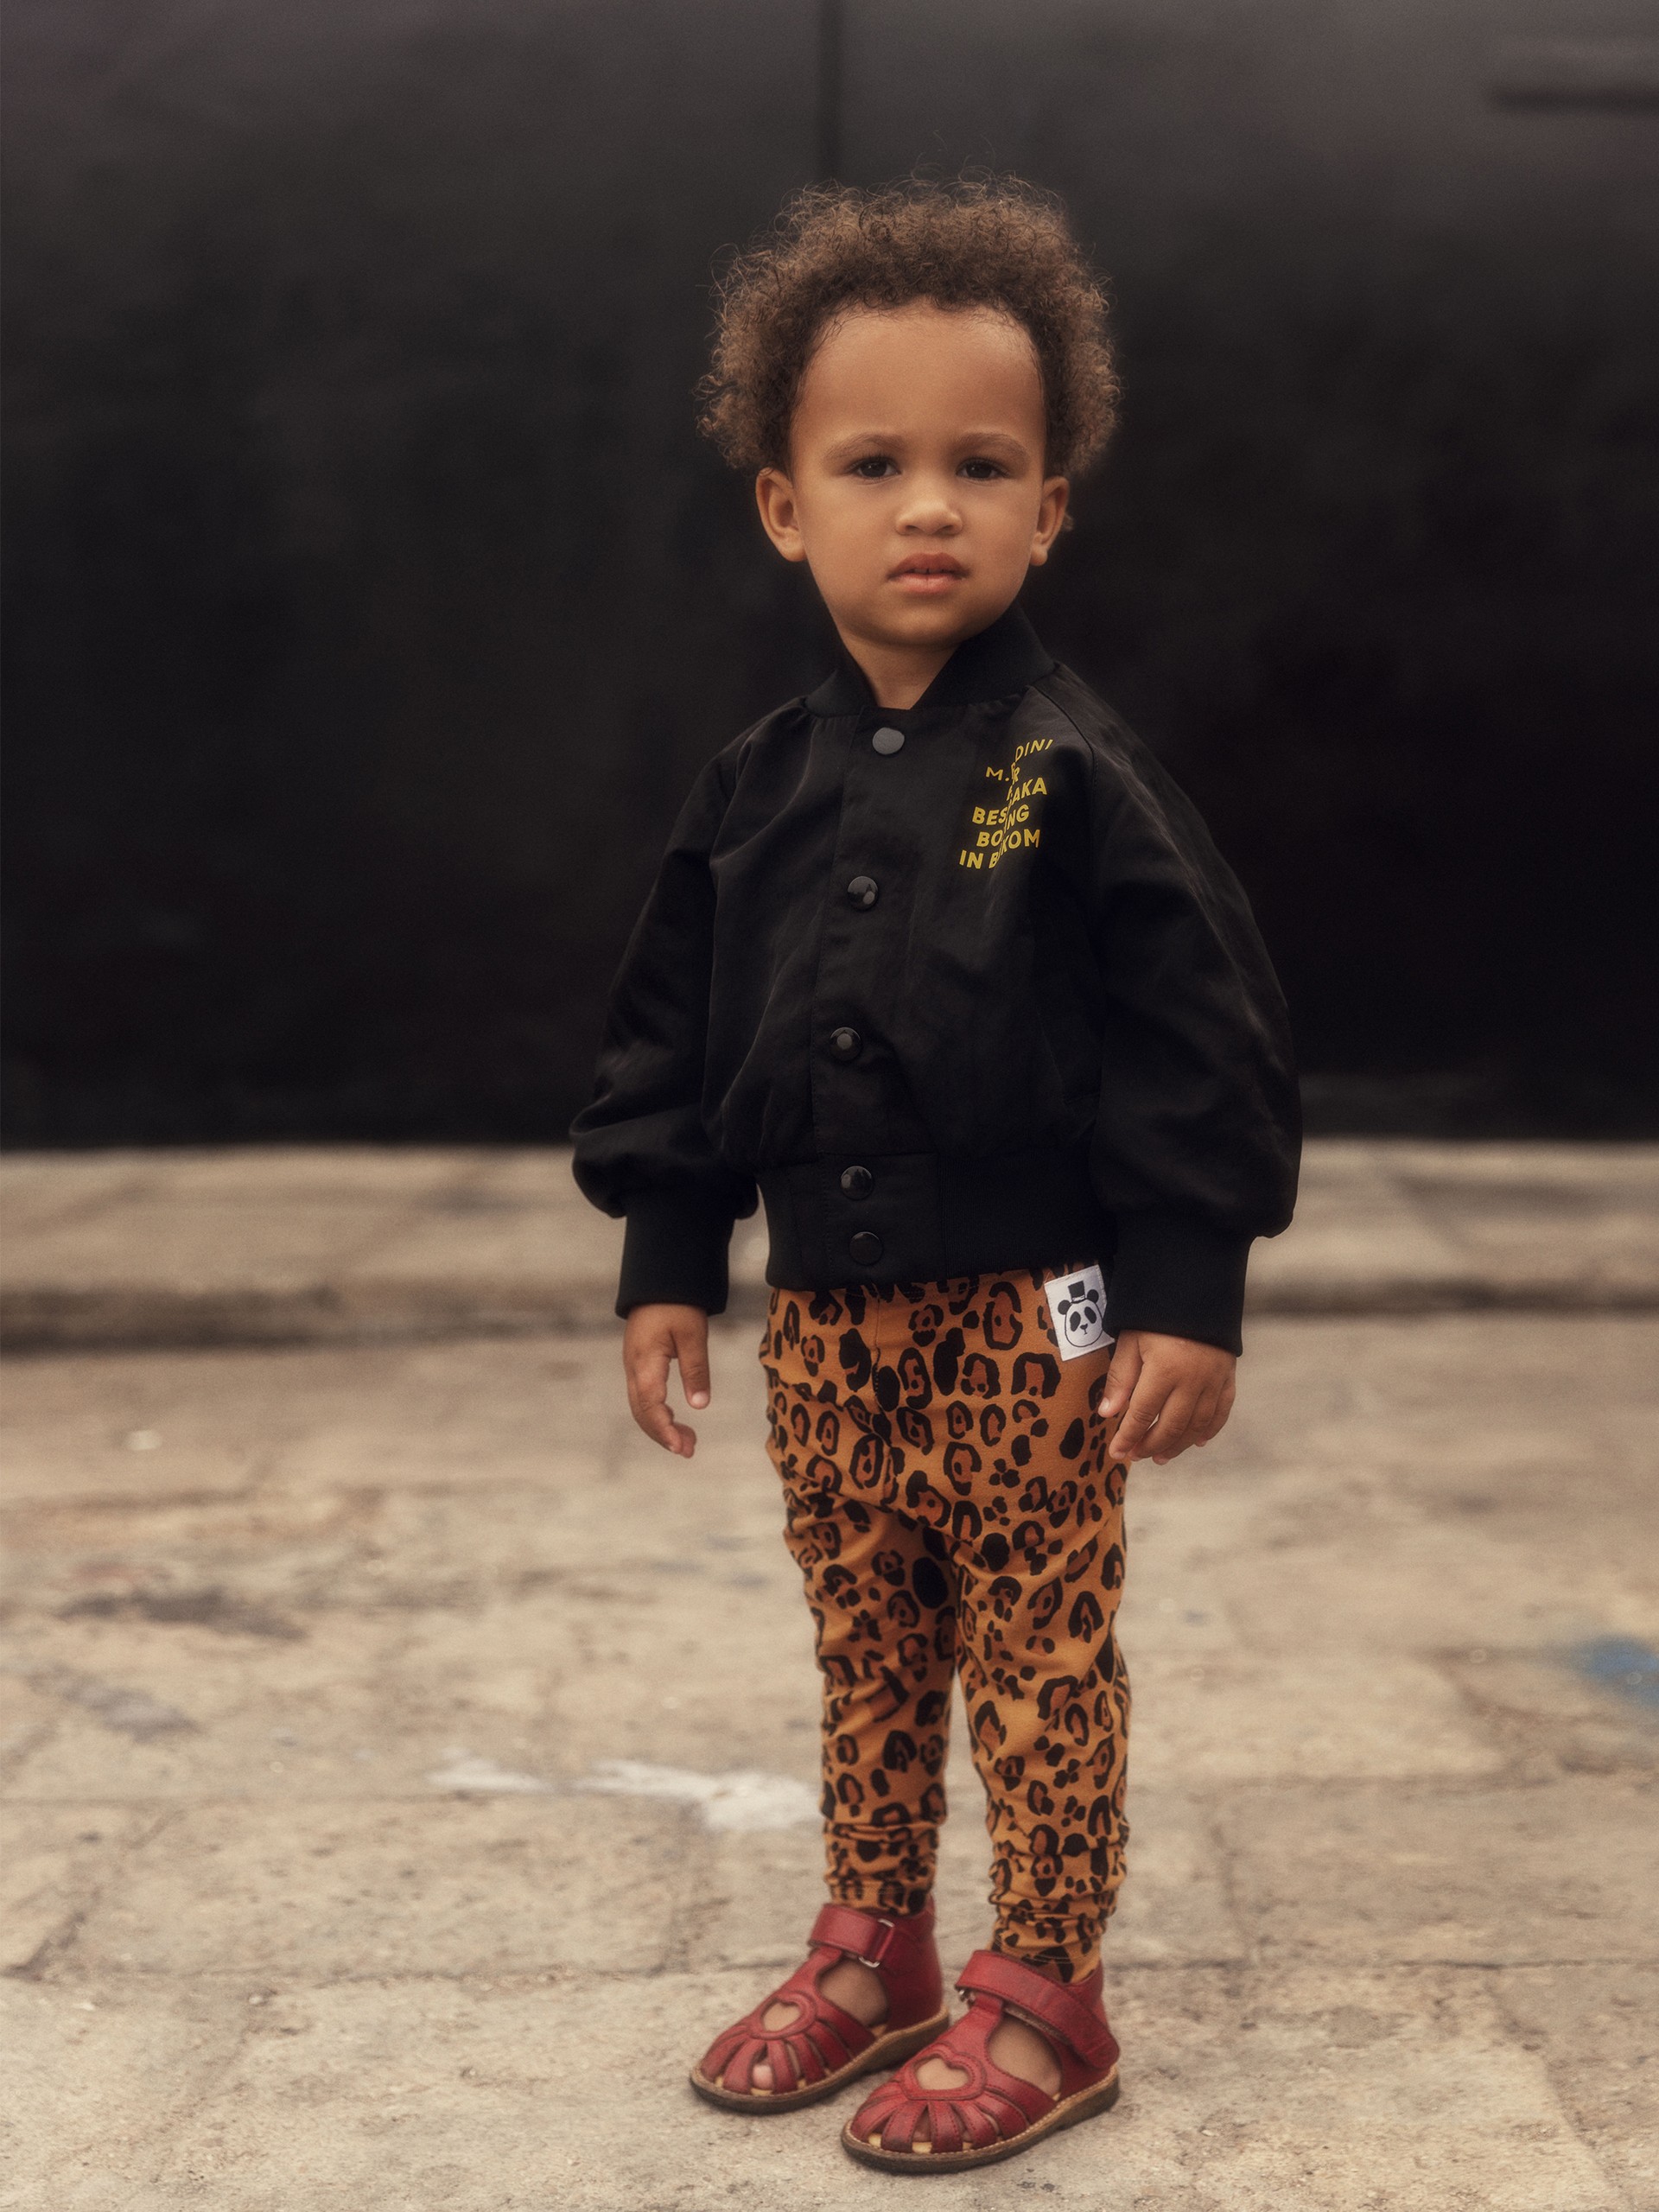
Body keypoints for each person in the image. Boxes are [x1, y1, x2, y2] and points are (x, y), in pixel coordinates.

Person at [571, 175, 1299, 2173]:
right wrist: (665, 1252)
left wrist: (1184, 1285)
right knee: (865, 1629)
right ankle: (880, 1941)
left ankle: (1045, 1984)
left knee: (1040, 1651)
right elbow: (673, 1032)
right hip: (825, 1317)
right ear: (783, 506)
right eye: (871, 461)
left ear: (1051, 507)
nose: (928, 505)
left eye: (983, 465)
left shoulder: (1074, 769)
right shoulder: (755, 786)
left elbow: (1198, 1029)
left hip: (1032, 1317)